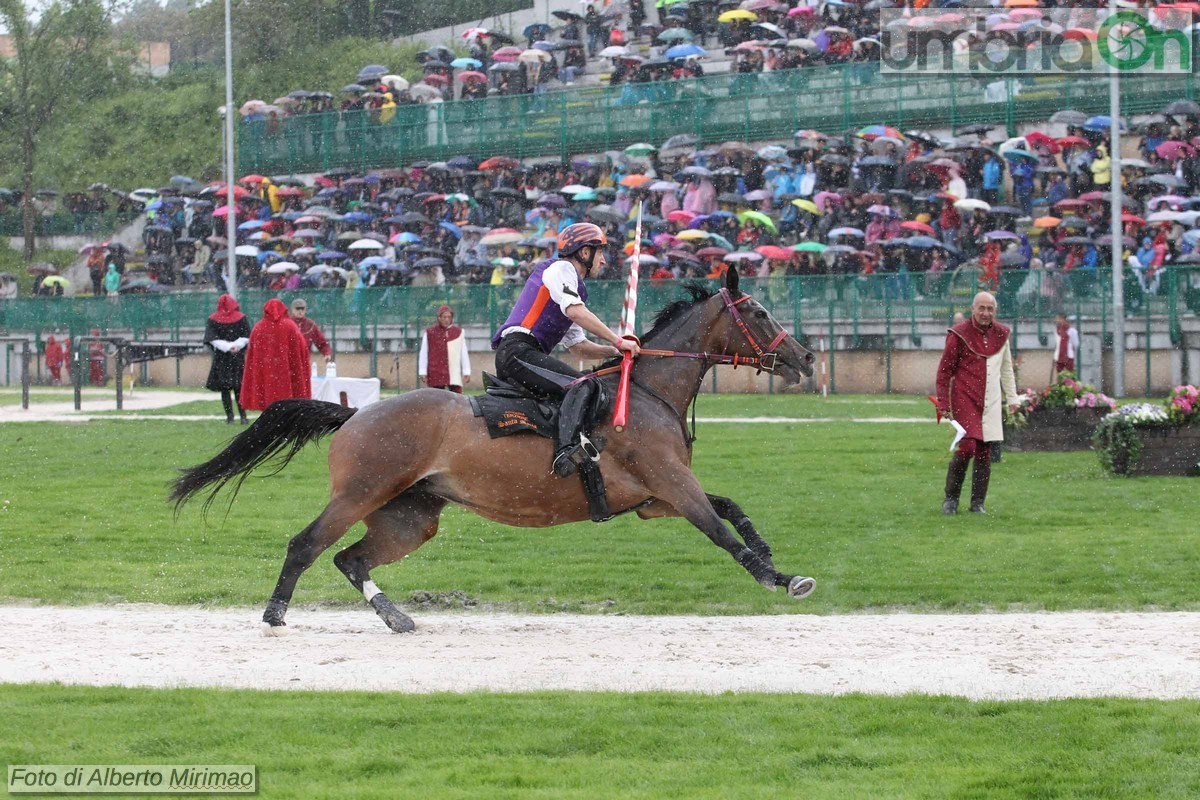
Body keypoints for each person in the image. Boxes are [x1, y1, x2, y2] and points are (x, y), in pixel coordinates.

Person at [491, 222, 639, 477]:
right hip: (518, 352)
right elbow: (575, 312)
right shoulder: (561, 269)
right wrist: (617, 341)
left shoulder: (573, 286)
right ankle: (566, 451)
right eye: (600, 252)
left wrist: (617, 352)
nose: (603, 261)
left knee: (585, 385)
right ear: (584, 252)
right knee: (582, 384)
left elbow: (580, 347)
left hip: (525, 354)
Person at [933, 292, 1019, 515]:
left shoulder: (1001, 334)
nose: (985, 313)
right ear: (973, 309)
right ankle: (951, 499)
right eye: (981, 308)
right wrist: (943, 402)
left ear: (995, 311)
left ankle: (977, 503)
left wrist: (1012, 398)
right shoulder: (959, 334)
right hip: (964, 398)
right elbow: (944, 371)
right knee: (968, 446)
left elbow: (1006, 369)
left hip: (990, 400)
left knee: (984, 450)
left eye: (990, 309)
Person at [240, 298, 312, 411]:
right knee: (288, 408)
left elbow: (252, 357)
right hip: (287, 374)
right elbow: (302, 350)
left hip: (266, 374)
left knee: (268, 407)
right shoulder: (290, 326)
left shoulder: (258, 328)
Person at [204, 294, 252, 424]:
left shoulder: (213, 320)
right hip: (237, 358)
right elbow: (247, 335)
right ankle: (243, 416)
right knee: (239, 388)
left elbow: (212, 339)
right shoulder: (241, 318)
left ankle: (229, 417)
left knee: (225, 388)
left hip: (222, 358)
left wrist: (226, 346)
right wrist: (236, 345)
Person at [419, 305, 472, 393]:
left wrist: (466, 371)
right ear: (439, 318)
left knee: (457, 399)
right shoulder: (430, 333)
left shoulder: (458, 332)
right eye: (444, 317)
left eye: (449, 317)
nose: (447, 319)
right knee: (435, 399)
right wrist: (422, 371)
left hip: (453, 372)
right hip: (435, 371)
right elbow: (424, 352)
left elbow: (463, 353)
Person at [289, 298, 332, 363]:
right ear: (292, 310)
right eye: (297, 309)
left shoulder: (310, 324)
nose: (300, 311)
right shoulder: (287, 323)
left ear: (305, 310)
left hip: (305, 362)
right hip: (289, 361)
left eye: (302, 309)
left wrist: (326, 353)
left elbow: (321, 342)